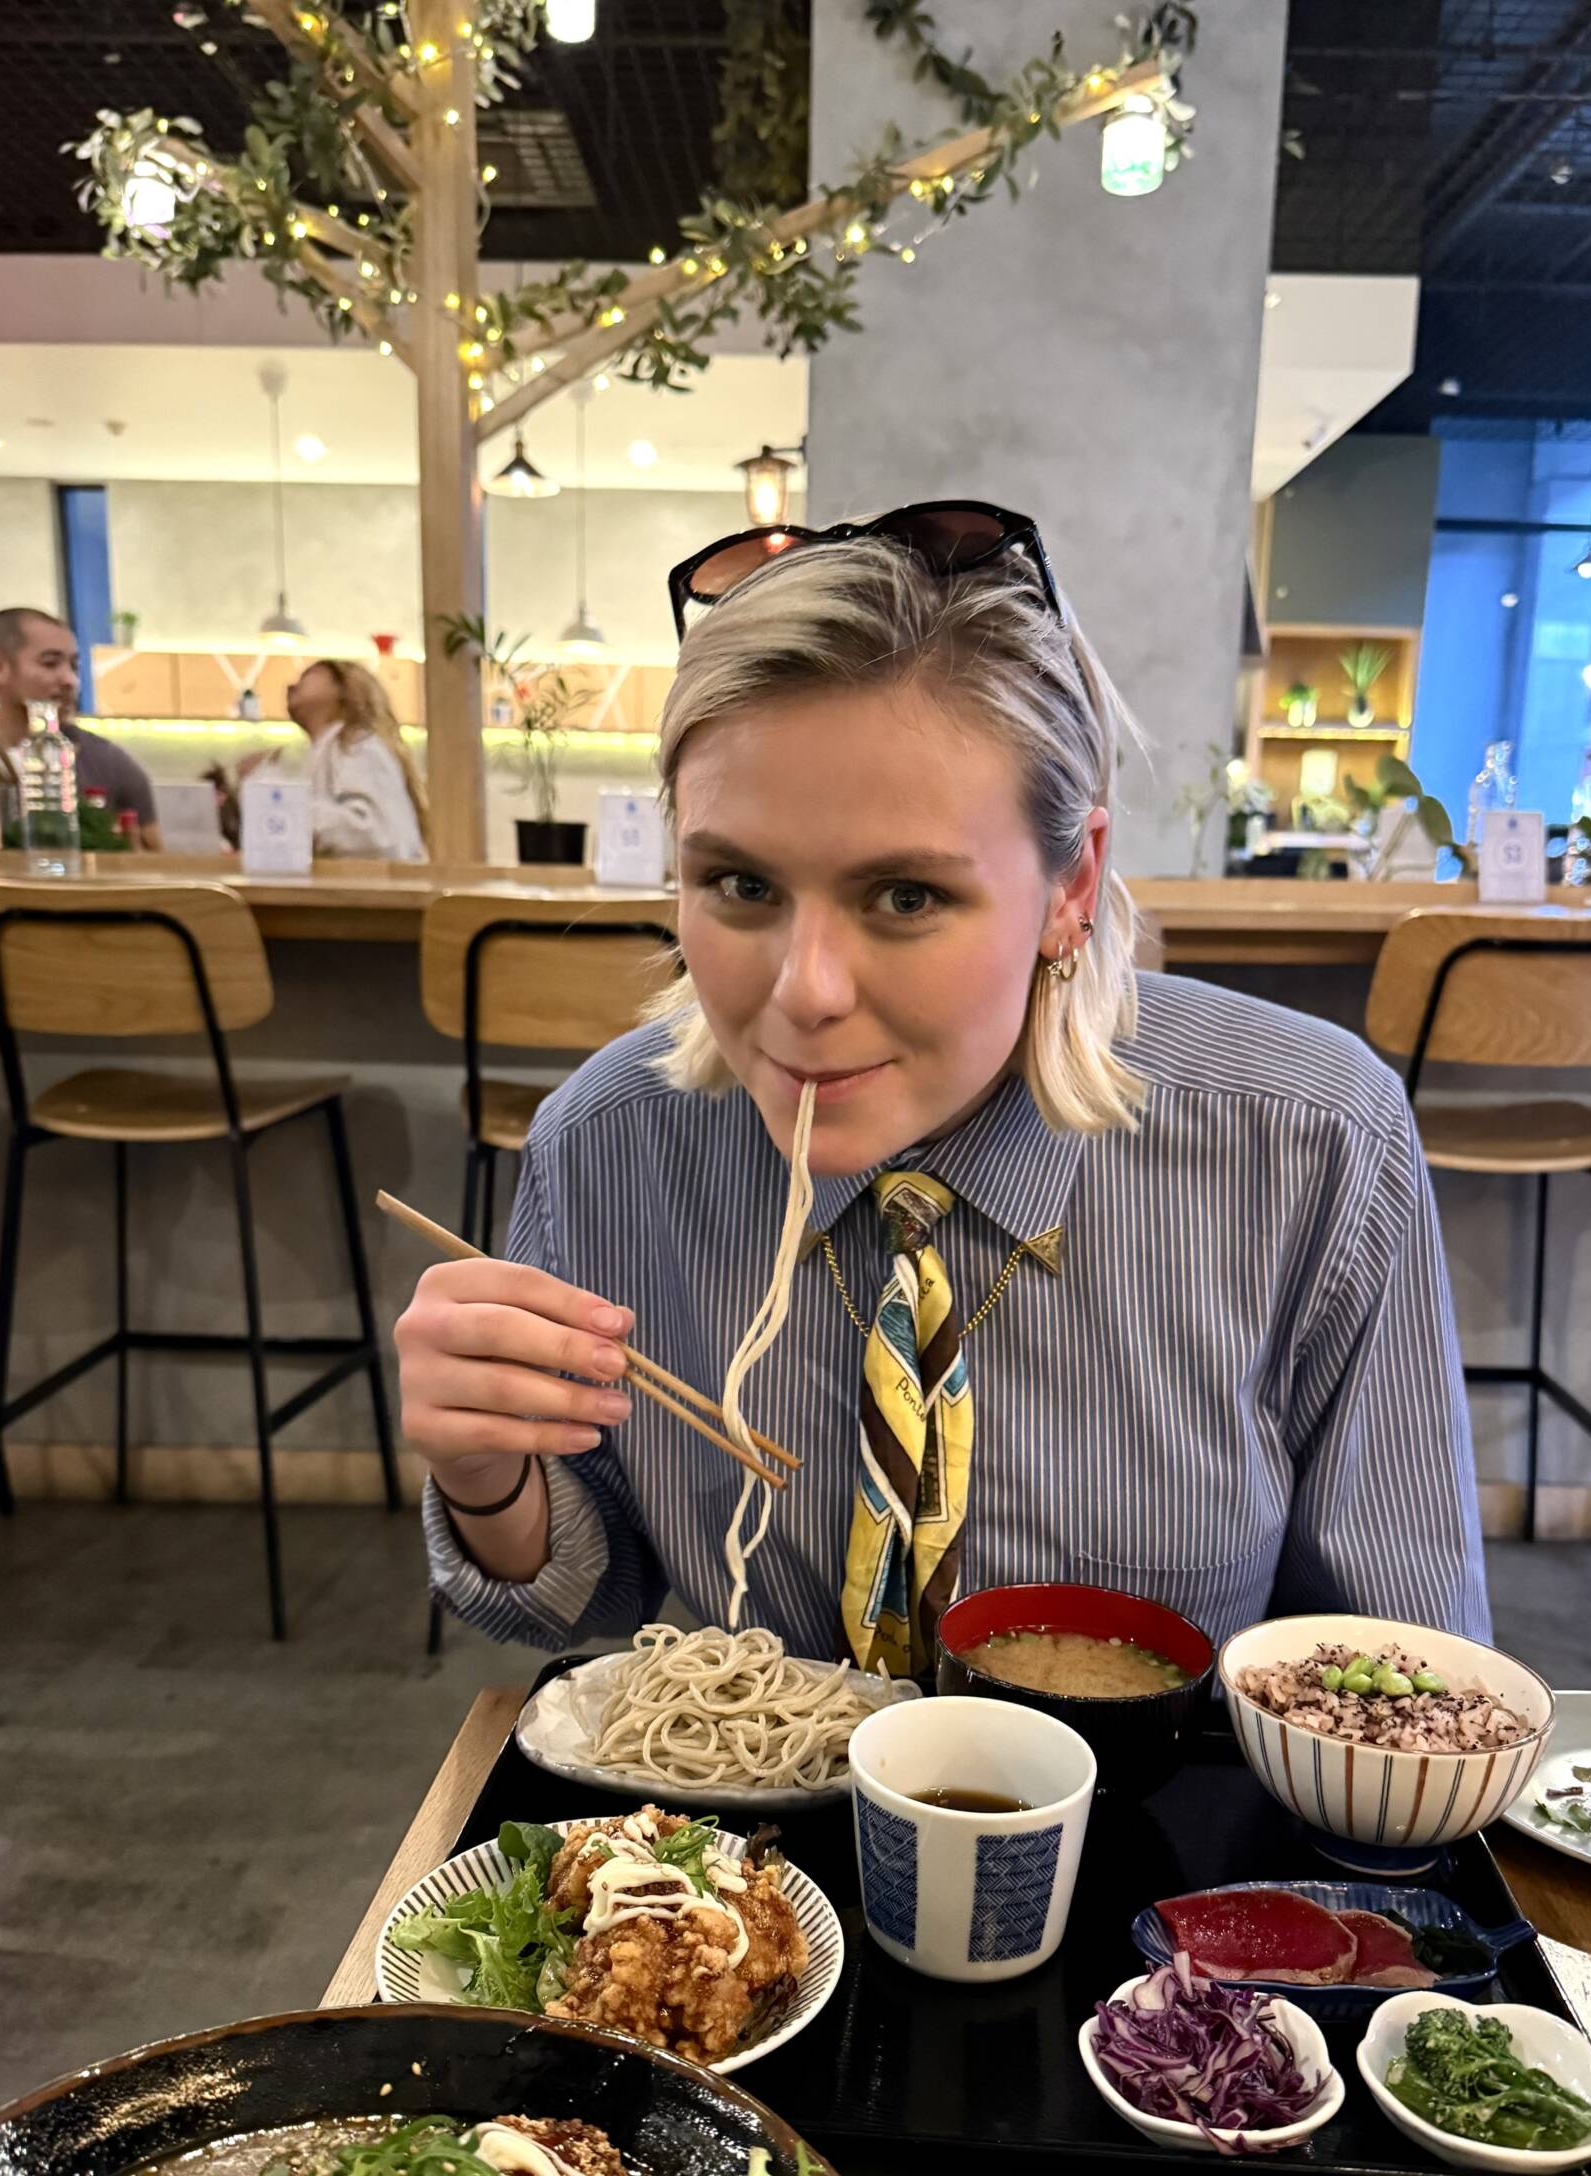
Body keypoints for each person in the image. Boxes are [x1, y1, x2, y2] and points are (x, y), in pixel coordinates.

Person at [396, 502, 1489, 1670]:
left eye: (906, 897)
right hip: (765, 1789)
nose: (805, 992)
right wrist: (486, 1470)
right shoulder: (610, 1143)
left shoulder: (1310, 1144)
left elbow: (1408, 1668)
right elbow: (583, 1591)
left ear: (1071, 887)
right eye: (742, 887)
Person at [0, 607, 161, 847]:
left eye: (74, 666)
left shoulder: (107, 762)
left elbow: (155, 856)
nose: (70, 680)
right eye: (50, 663)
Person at [239, 658, 428, 860]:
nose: (291, 686)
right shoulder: (329, 751)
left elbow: (373, 834)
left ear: (344, 688)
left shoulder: (358, 745)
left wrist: (288, 808)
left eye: (308, 674)